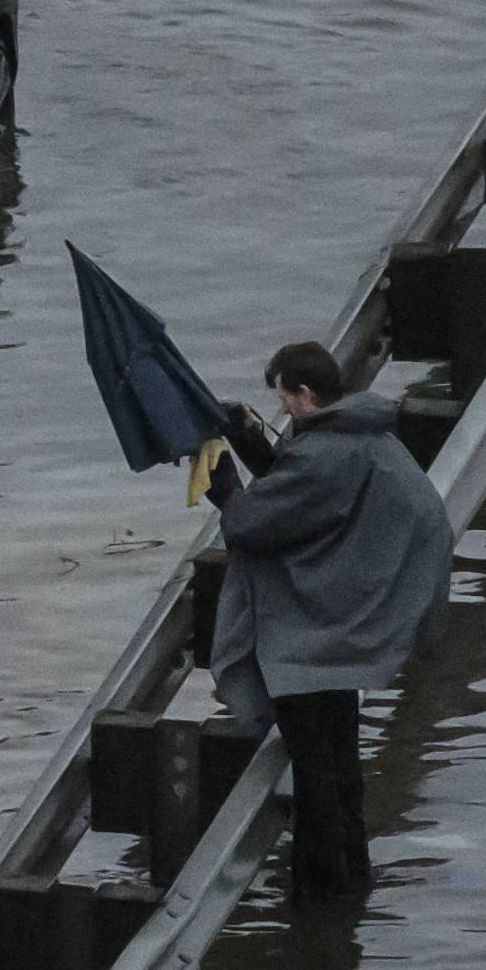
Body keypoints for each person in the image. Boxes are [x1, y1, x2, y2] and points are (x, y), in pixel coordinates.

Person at [193, 342, 453, 910]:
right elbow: (310, 489)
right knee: (341, 769)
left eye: (284, 400)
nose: (283, 411)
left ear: (305, 395)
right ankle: (353, 884)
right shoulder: (370, 437)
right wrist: (250, 439)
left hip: (310, 645)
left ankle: (322, 900)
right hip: (346, 636)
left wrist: (224, 486)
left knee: (317, 779)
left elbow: (252, 526)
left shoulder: (323, 457)